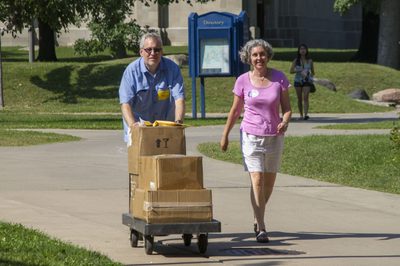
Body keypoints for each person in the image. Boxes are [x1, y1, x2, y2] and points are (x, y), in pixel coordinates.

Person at [220, 39, 292, 243]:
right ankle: (261, 227)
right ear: (249, 58)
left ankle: (257, 215)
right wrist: (225, 135)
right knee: (257, 180)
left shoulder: (279, 79)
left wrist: (285, 121)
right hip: (251, 136)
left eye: (262, 54)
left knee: (268, 184)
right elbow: (235, 111)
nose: (259, 58)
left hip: (274, 137)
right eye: (255, 55)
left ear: (268, 56)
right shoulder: (242, 80)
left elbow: (287, 108)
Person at [119, 32, 185, 142]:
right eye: (148, 49)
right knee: (141, 160)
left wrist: (178, 122)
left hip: (166, 132)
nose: (153, 53)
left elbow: (179, 99)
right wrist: (133, 126)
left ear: (162, 52)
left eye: (157, 50)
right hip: (140, 130)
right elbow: (125, 104)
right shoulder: (131, 72)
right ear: (141, 52)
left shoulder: (173, 69)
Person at [290, 43, 315, 120]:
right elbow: (291, 71)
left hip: (306, 81)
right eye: (301, 49)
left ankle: (306, 114)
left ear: (306, 50)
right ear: (299, 51)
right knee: (299, 98)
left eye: (304, 49)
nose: (303, 50)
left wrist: (309, 74)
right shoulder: (296, 60)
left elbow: (313, 72)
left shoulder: (309, 61)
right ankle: (301, 115)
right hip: (298, 81)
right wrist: (298, 70)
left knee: (306, 97)